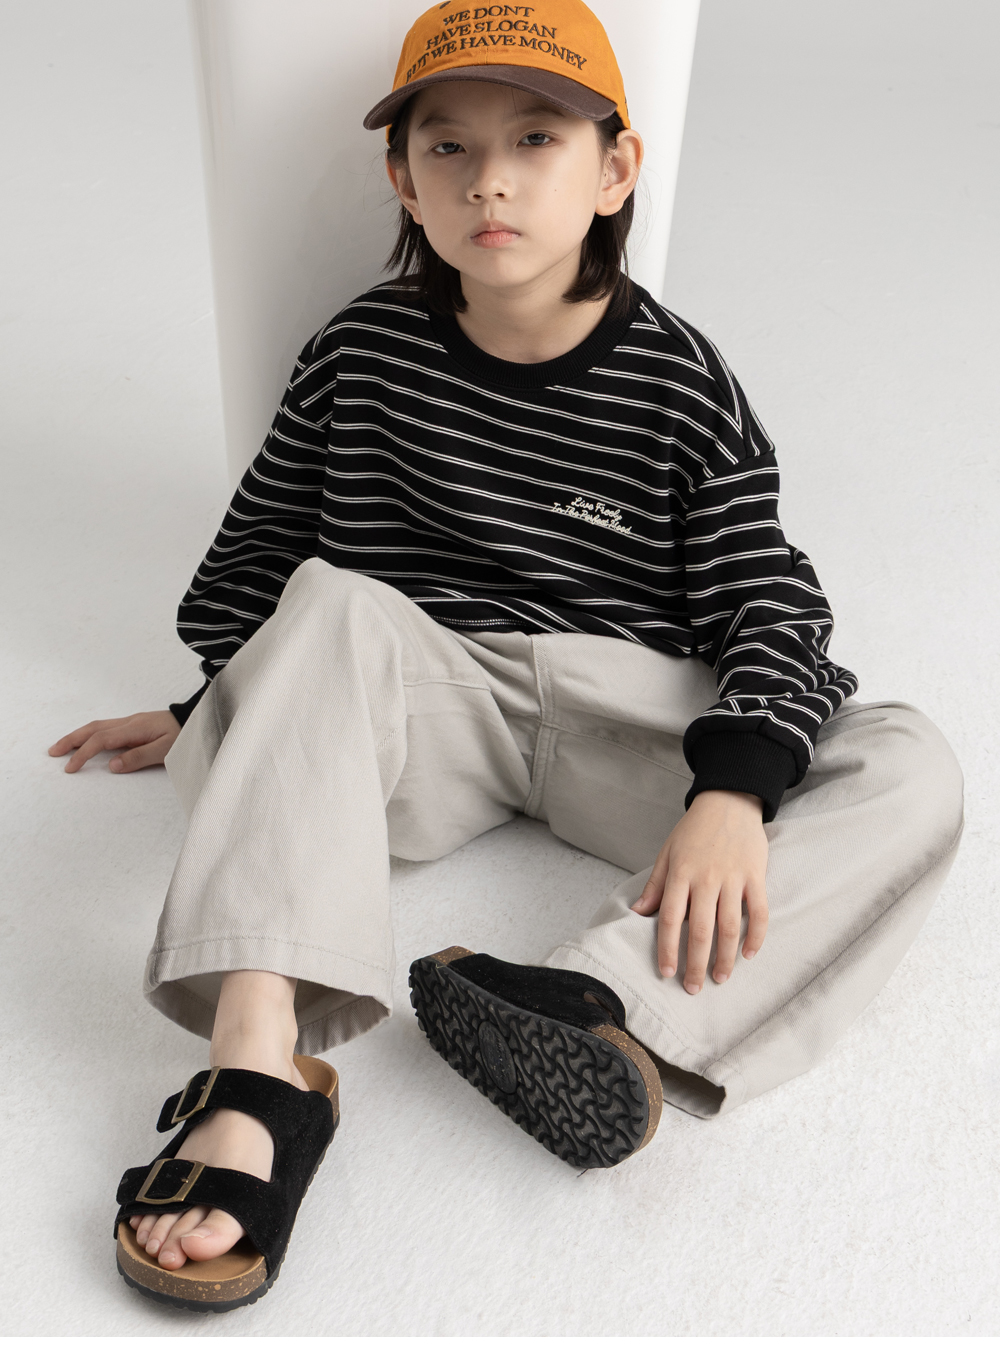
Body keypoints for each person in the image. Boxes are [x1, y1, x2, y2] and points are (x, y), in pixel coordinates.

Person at [50, 0, 964, 1314]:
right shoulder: (361, 355)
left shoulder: (679, 384)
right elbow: (261, 562)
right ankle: (257, 1070)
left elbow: (772, 602)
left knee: (909, 761)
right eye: (449, 148)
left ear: (614, 171)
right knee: (332, 601)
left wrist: (731, 790)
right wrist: (218, 706)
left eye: (537, 140)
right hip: (427, 708)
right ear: (402, 182)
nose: (490, 180)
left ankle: (596, 1006)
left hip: (619, 710)